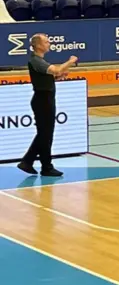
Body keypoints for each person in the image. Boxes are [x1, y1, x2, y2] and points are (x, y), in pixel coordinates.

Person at [16, 34, 77, 178]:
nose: (49, 43)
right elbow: (55, 70)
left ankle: (33, 163)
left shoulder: (40, 61)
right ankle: (40, 165)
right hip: (42, 101)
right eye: (46, 41)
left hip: (46, 99)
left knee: (45, 134)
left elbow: (52, 75)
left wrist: (58, 77)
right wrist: (70, 61)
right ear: (38, 45)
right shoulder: (36, 61)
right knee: (45, 134)